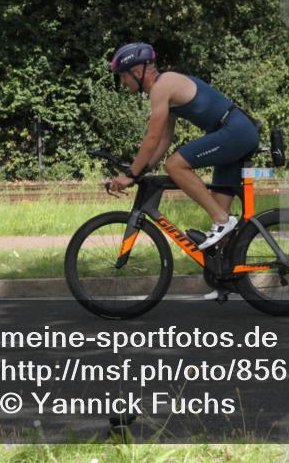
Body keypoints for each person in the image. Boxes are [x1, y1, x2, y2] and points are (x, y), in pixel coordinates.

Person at [106, 42, 260, 297]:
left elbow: (152, 138)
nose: (123, 82)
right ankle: (226, 280)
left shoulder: (162, 86)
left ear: (137, 71)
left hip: (235, 131)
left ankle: (223, 221)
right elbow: (164, 140)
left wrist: (131, 174)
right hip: (232, 132)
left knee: (175, 165)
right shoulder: (166, 88)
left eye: (123, 76)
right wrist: (144, 169)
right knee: (218, 212)